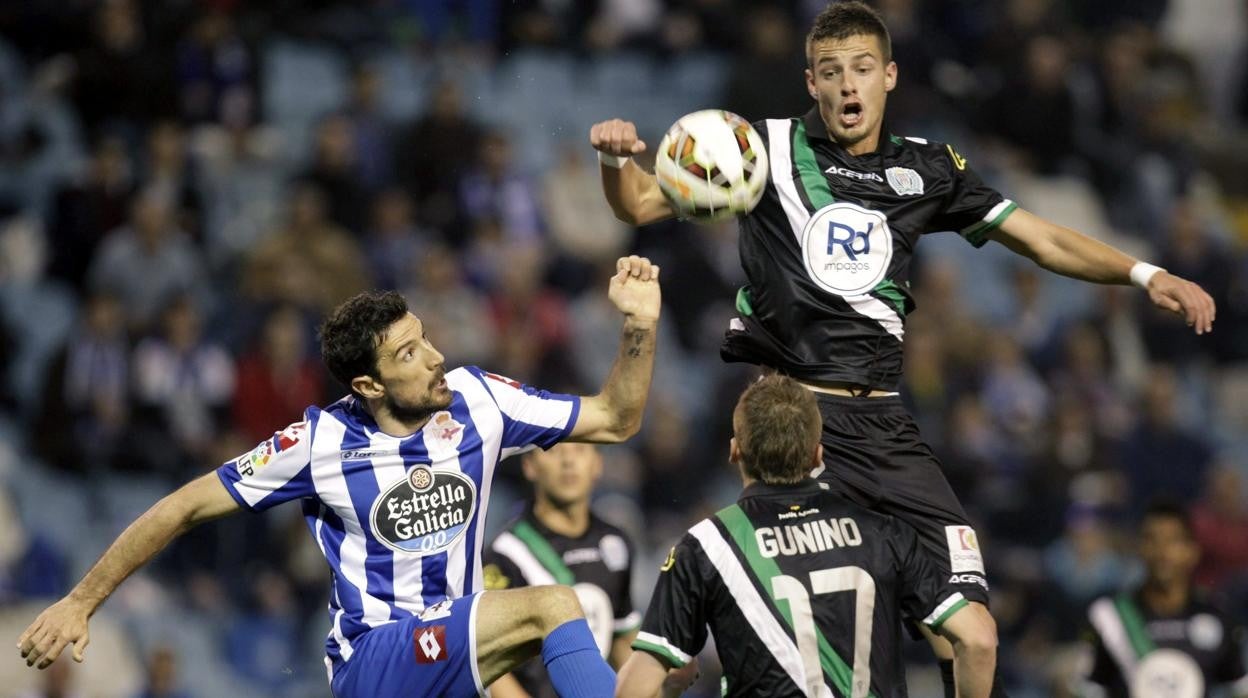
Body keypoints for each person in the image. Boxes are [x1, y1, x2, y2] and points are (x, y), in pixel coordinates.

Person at [588, 2, 1216, 694]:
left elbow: (1041, 239)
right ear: (810, 83)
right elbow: (642, 204)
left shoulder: (929, 169)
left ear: (889, 76)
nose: (847, 86)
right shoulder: (760, 149)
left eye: (861, 69)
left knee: (975, 636)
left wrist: (1145, 274)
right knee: (778, 632)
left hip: (886, 428)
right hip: (799, 428)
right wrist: (618, 162)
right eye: (831, 72)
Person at [17, 255, 664, 698]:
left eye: (426, 338)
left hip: (450, 653)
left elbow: (616, 418)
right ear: (367, 383)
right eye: (409, 353)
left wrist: (638, 324)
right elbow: (182, 507)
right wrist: (81, 601)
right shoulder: (321, 441)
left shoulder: (479, 399)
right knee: (556, 602)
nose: (437, 357)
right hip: (375, 661)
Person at [615, 375, 996, 698]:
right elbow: (977, 642)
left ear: (735, 451)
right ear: (818, 455)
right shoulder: (885, 532)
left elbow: (638, 684)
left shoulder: (706, 546)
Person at [484, 442, 640, 698]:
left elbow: (622, 639)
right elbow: (488, 662)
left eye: (580, 450)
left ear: (598, 464)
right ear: (529, 466)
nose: (568, 461)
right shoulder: (504, 553)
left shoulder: (617, 543)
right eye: (554, 450)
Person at [1079, 500, 1248, 697]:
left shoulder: (1218, 616)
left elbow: (1239, 689)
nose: (1162, 551)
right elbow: (1086, 689)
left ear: (1192, 551)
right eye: (1152, 540)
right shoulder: (1108, 616)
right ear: (1140, 548)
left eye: (1173, 541)